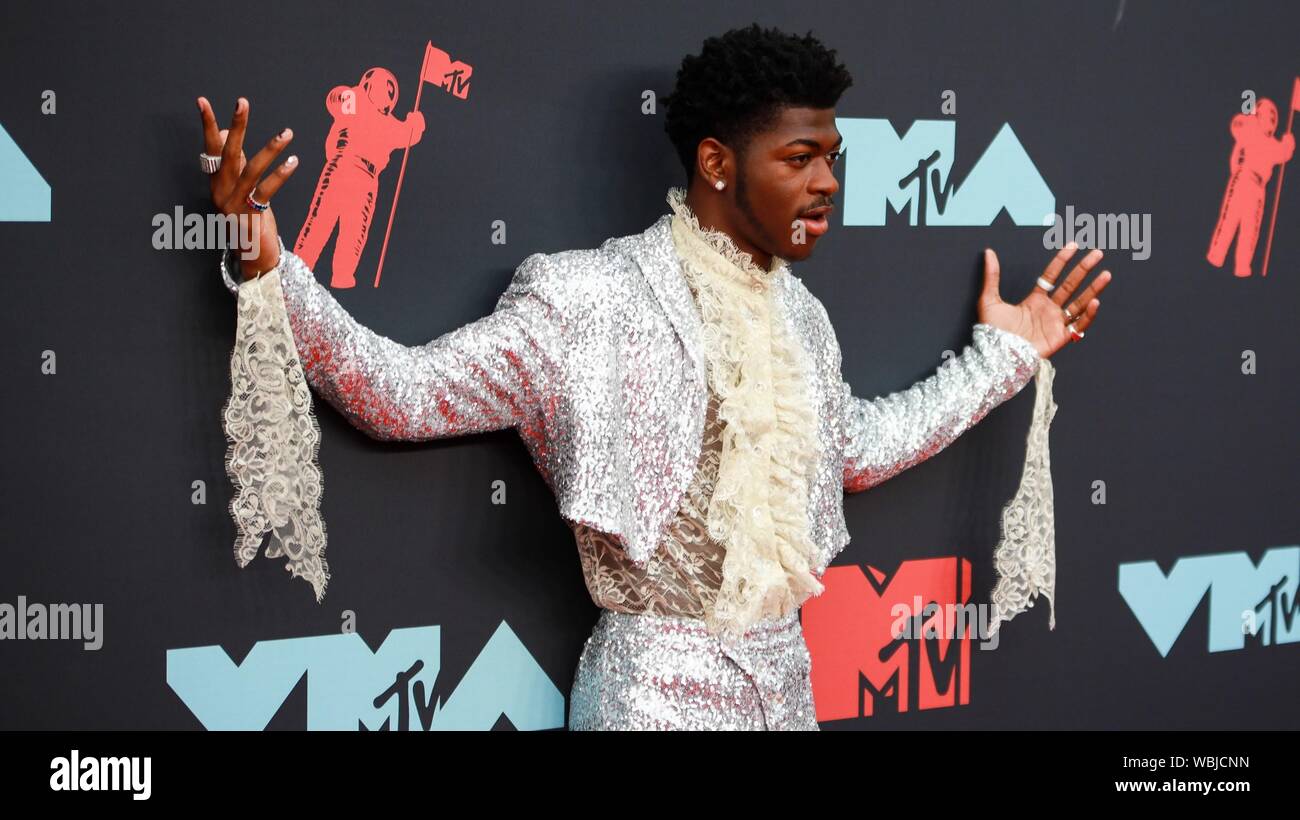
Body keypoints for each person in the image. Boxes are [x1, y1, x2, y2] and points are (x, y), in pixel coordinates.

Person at [195, 24, 1109, 730]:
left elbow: (857, 450)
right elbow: (397, 396)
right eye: (799, 158)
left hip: (789, 692)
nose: (829, 182)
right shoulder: (588, 298)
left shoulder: (800, 318)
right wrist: (267, 263)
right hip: (650, 701)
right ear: (717, 163)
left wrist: (1008, 353)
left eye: (834, 157)